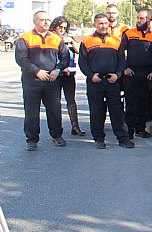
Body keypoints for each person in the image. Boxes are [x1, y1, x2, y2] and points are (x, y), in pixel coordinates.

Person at [15, 11, 70, 151]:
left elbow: (65, 57)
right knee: (32, 111)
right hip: (32, 81)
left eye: (47, 19)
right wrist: (36, 71)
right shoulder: (25, 38)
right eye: (42, 20)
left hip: (51, 81)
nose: (46, 22)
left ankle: (57, 135)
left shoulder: (56, 39)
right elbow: (21, 59)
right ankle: (32, 140)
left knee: (54, 109)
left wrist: (57, 70)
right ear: (35, 22)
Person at [78, 14, 135, 149]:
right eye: (100, 23)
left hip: (112, 81)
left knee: (116, 110)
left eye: (105, 23)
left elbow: (122, 60)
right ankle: (99, 138)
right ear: (94, 25)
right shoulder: (87, 41)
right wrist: (91, 76)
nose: (103, 26)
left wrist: (118, 74)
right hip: (95, 82)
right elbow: (82, 62)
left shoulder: (116, 41)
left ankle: (123, 138)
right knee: (96, 111)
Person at [120, 9, 152, 138]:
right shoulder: (129, 34)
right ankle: (128, 130)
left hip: (146, 74)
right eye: (138, 18)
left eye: (142, 18)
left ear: (150, 20)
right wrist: (126, 68)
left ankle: (140, 128)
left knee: (144, 103)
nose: (139, 21)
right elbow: (120, 53)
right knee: (131, 103)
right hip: (131, 73)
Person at [50, 16, 86, 135]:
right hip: (55, 74)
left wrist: (71, 41)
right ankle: (57, 129)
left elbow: (79, 51)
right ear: (55, 26)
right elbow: (49, 57)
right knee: (56, 102)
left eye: (65, 27)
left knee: (71, 100)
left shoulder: (68, 38)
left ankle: (75, 126)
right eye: (60, 27)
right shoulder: (50, 37)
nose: (62, 29)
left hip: (69, 74)